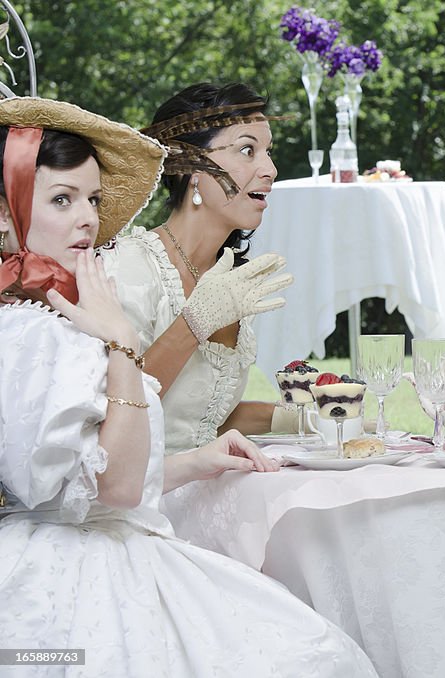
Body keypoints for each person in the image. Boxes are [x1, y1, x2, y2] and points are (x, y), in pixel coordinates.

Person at [0, 96, 378, 676]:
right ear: (195, 174)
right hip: (92, 544)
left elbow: (94, 469)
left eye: (93, 200)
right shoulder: (61, 310)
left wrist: (272, 427)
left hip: (126, 507)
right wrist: (138, 338)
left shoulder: (57, 311)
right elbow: (110, 476)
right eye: (61, 199)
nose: (87, 219)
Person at [101, 82, 296, 454]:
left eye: (268, 152)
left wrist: (306, 416)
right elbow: (114, 413)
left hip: (210, 481)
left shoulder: (228, 278)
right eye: (247, 150)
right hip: (144, 490)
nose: (269, 169)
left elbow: (198, 419)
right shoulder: (130, 269)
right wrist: (192, 325)